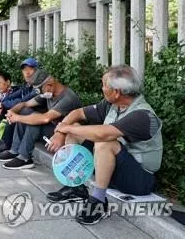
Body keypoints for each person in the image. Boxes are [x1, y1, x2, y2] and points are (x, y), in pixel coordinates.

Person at [46, 65, 163, 225]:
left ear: (116, 92)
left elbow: (105, 134)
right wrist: (61, 132)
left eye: (104, 85)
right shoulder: (112, 104)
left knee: (104, 142)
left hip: (139, 180)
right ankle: (77, 187)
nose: (102, 88)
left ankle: (99, 202)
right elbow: (76, 113)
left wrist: (65, 127)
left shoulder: (143, 115)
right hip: (113, 169)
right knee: (76, 131)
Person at [0, 68, 82, 169]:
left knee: (36, 121)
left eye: (39, 90)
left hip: (66, 137)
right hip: (54, 130)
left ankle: (24, 158)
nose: (39, 93)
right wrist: (12, 112)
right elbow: (25, 104)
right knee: (25, 110)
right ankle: (14, 151)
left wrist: (17, 118)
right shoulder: (48, 92)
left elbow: (45, 119)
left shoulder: (68, 98)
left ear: (49, 84)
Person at [0, 58, 39, 152]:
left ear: (37, 71)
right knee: (5, 108)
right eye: (25, 70)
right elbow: (11, 97)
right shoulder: (26, 85)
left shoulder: (38, 87)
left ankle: (5, 144)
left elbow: (23, 101)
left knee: (13, 111)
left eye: (30, 69)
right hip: (26, 113)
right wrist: (1, 104)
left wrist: (3, 105)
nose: (27, 73)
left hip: (35, 115)